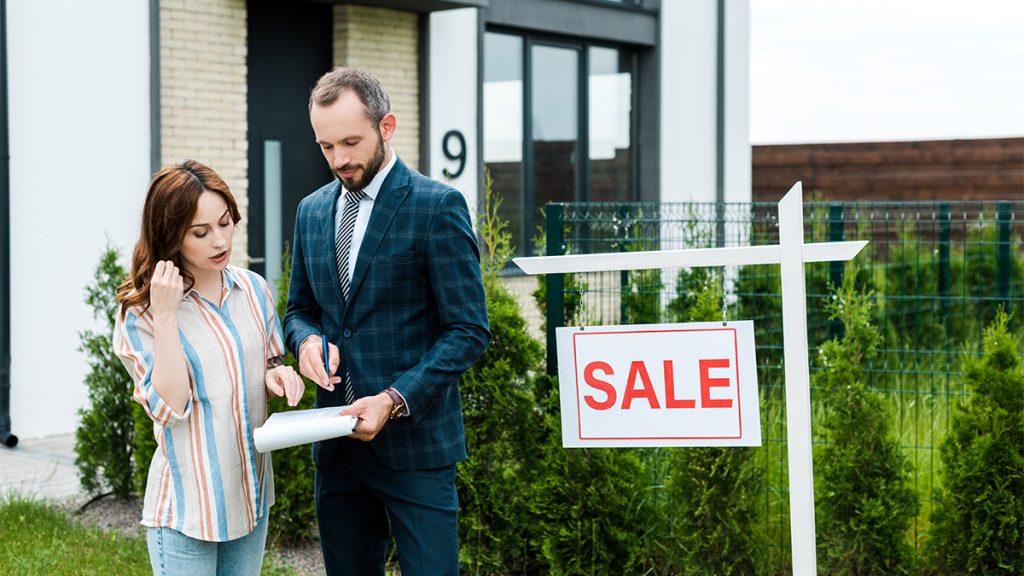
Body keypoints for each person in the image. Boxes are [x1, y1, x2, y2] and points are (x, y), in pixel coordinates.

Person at [284, 67, 490, 576]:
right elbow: (298, 312)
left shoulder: (436, 206)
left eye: (351, 142)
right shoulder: (310, 211)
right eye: (326, 146)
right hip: (336, 447)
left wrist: (394, 400)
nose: (340, 160)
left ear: (387, 126)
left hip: (416, 447)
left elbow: (468, 330)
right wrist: (307, 342)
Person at [113, 160, 305, 576]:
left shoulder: (253, 290)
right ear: (171, 236)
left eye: (225, 223)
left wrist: (276, 376)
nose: (220, 240)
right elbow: (168, 409)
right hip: (186, 511)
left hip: (250, 498)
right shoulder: (142, 313)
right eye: (201, 232)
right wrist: (166, 317)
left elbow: (268, 362)